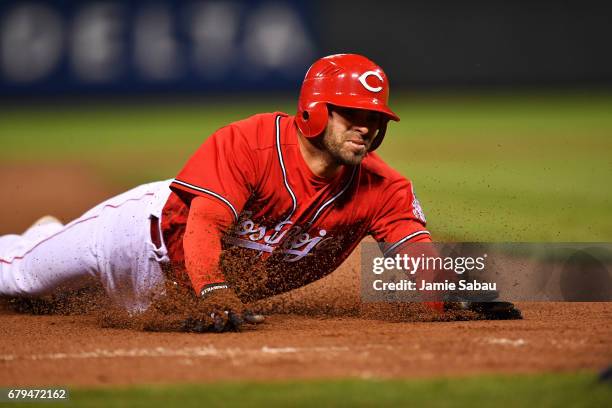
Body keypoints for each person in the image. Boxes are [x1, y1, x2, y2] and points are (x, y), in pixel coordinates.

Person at [0, 54, 520, 332]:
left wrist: (448, 294)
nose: (367, 128)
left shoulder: (384, 187)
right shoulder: (251, 142)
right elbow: (203, 224)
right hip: (133, 239)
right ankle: (38, 241)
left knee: (65, 305)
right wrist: (211, 291)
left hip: (177, 300)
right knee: (21, 283)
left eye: (376, 118)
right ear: (315, 110)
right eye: (354, 114)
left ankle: (49, 234)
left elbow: (414, 256)